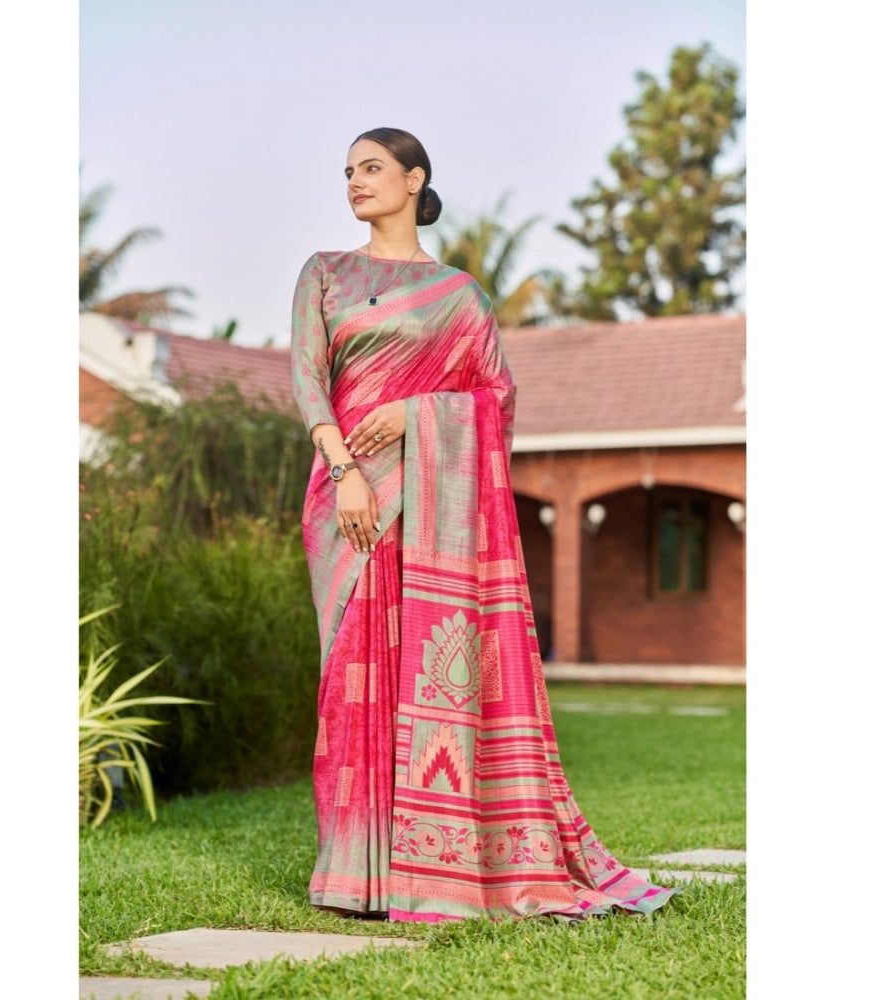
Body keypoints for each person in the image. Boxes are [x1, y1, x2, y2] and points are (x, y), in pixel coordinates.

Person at [290, 127, 677, 923]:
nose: (356, 181)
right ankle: (354, 868)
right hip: (348, 499)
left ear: (413, 179)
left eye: (372, 168)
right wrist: (346, 471)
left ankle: (422, 864)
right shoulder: (325, 273)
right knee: (350, 678)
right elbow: (307, 379)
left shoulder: (459, 296)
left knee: (417, 672)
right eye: (349, 171)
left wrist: (416, 414)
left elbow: (495, 400)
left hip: (427, 500)